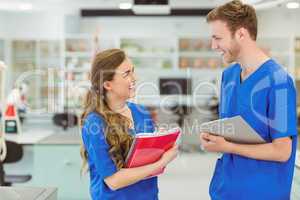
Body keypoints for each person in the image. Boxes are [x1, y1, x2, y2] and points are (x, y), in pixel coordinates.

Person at [200, 1, 298, 199]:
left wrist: (227, 146)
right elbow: (230, 128)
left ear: (241, 34)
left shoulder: (278, 80)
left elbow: (282, 151)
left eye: (218, 38)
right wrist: (215, 138)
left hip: (262, 191)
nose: (213, 46)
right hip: (226, 188)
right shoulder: (229, 76)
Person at [80, 49, 178, 200]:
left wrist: (162, 143)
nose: (135, 78)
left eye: (133, 71)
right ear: (107, 84)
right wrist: (162, 161)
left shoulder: (141, 112)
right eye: (126, 74)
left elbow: (148, 159)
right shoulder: (94, 123)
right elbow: (114, 181)